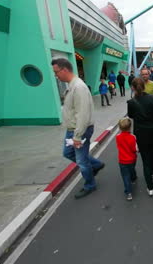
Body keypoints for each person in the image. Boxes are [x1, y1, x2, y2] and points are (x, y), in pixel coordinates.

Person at [51, 58, 105, 199]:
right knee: (68, 153)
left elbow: (82, 114)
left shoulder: (78, 87)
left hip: (79, 130)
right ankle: (96, 164)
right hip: (72, 129)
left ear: (65, 70)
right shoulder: (71, 85)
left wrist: (77, 136)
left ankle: (90, 185)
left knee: (81, 161)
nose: (56, 75)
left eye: (56, 72)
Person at [127, 77, 153, 196]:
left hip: (141, 133)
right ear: (144, 86)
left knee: (145, 159)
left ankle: (150, 188)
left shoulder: (131, 102)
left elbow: (131, 115)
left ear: (133, 88)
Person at [116, 118, 138, 201]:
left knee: (125, 176)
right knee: (132, 169)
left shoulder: (118, 137)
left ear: (120, 128)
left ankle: (129, 192)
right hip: (132, 159)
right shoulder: (133, 137)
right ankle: (133, 178)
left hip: (122, 160)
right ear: (130, 127)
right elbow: (134, 149)